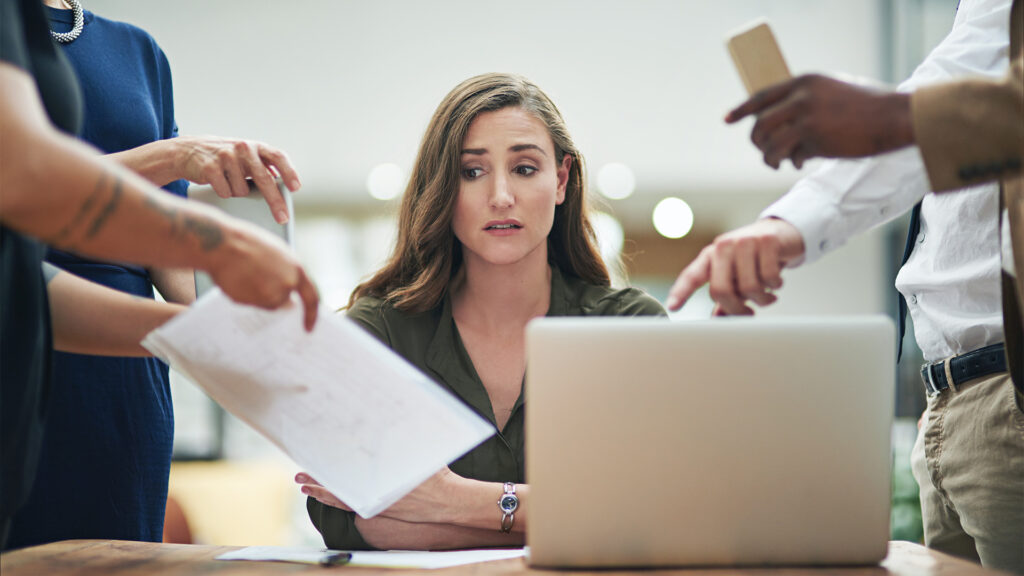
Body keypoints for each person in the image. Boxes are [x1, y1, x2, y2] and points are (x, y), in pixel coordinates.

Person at [667, 1, 1024, 572]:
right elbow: (961, 89)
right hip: (948, 404)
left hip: (1009, 391)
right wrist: (786, 225)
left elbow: (955, 103)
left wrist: (893, 116)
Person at [298, 73, 665, 551]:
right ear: (442, 189)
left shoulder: (630, 328)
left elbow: (650, 505)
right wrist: (555, 515)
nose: (500, 196)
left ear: (561, 179)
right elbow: (337, 514)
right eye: (471, 172)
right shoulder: (380, 332)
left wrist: (449, 500)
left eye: (525, 168)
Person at [0, 0, 318, 549]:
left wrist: (226, 334)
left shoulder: (139, 52)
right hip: (24, 350)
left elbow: (166, 253)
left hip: (124, 376)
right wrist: (178, 170)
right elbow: (27, 182)